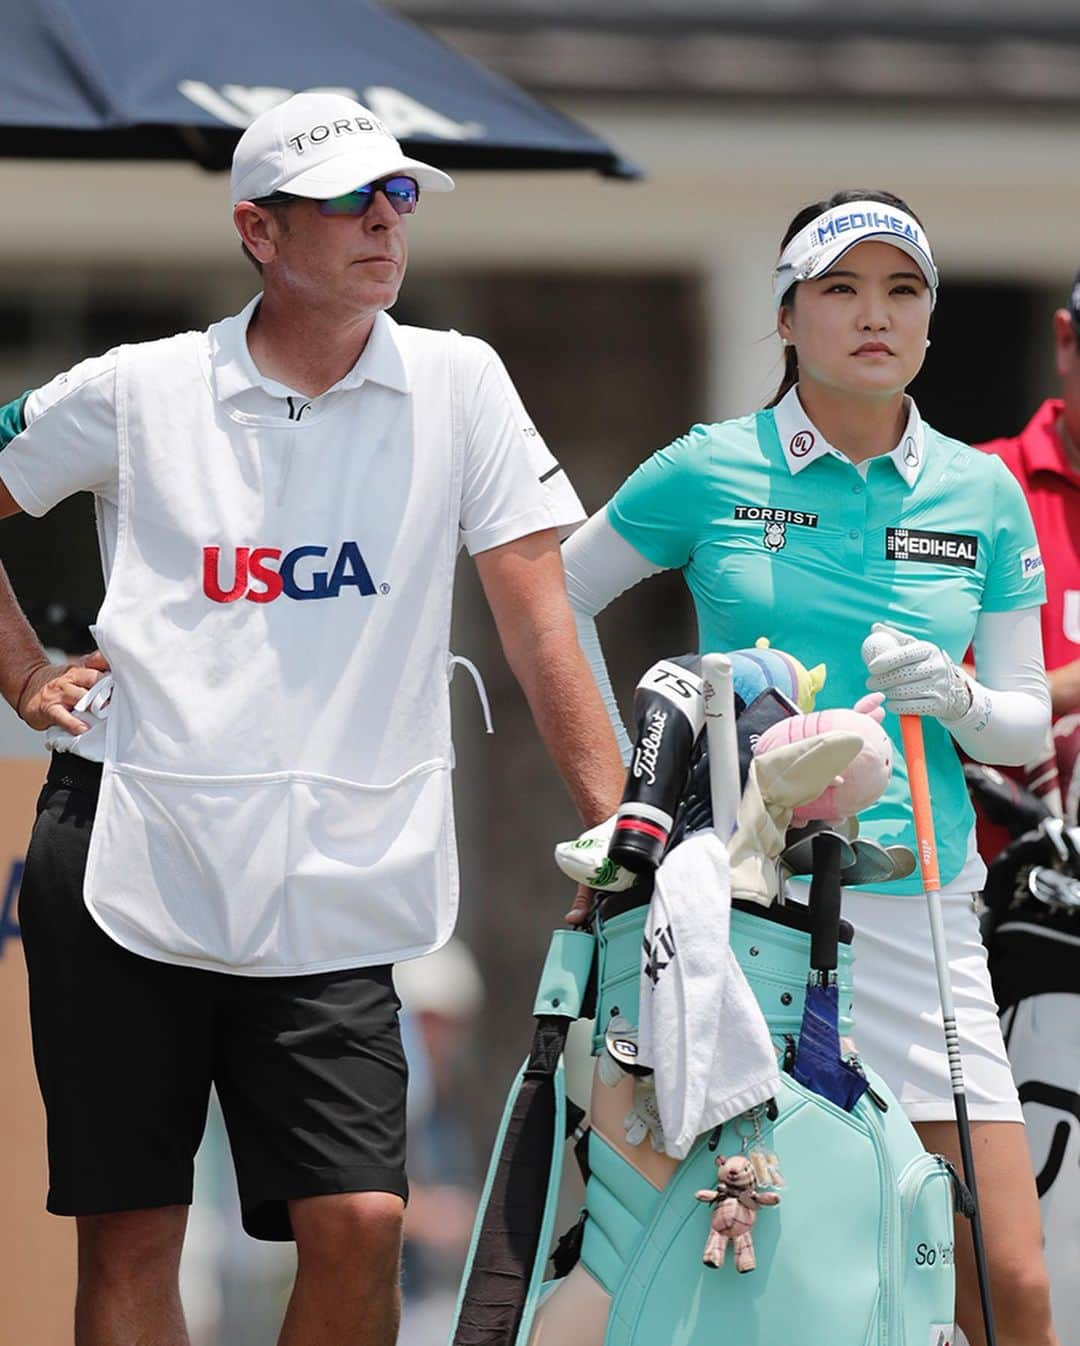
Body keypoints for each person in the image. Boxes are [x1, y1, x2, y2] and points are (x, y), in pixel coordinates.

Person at [0, 92, 624, 1346]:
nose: (388, 223)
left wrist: (622, 826)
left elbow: (540, 620)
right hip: (131, 850)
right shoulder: (138, 388)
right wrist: (22, 673)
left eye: (399, 197)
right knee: (133, 1240)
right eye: (351, 201)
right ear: (259, 231)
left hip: (336, 884)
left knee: (362, 1223)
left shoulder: (462, 382)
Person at [561, 190, 1056, 1346]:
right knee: (736, 1265)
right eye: (839, 289)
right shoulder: (710, 465)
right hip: (740, 907)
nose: (873, 315)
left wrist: (962, 694)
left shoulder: (980, 490)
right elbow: (556, 599)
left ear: (931, 318)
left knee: (1008, 1281)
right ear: (786, 316)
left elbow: (1025, 722)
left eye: (901, 290)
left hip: (917, 914)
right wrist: (630, 788)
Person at [973, 277, 1080, 839]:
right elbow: (891, 676)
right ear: (1066, 341)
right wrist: (1055, 691)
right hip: (998, 901)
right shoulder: (972, 488)